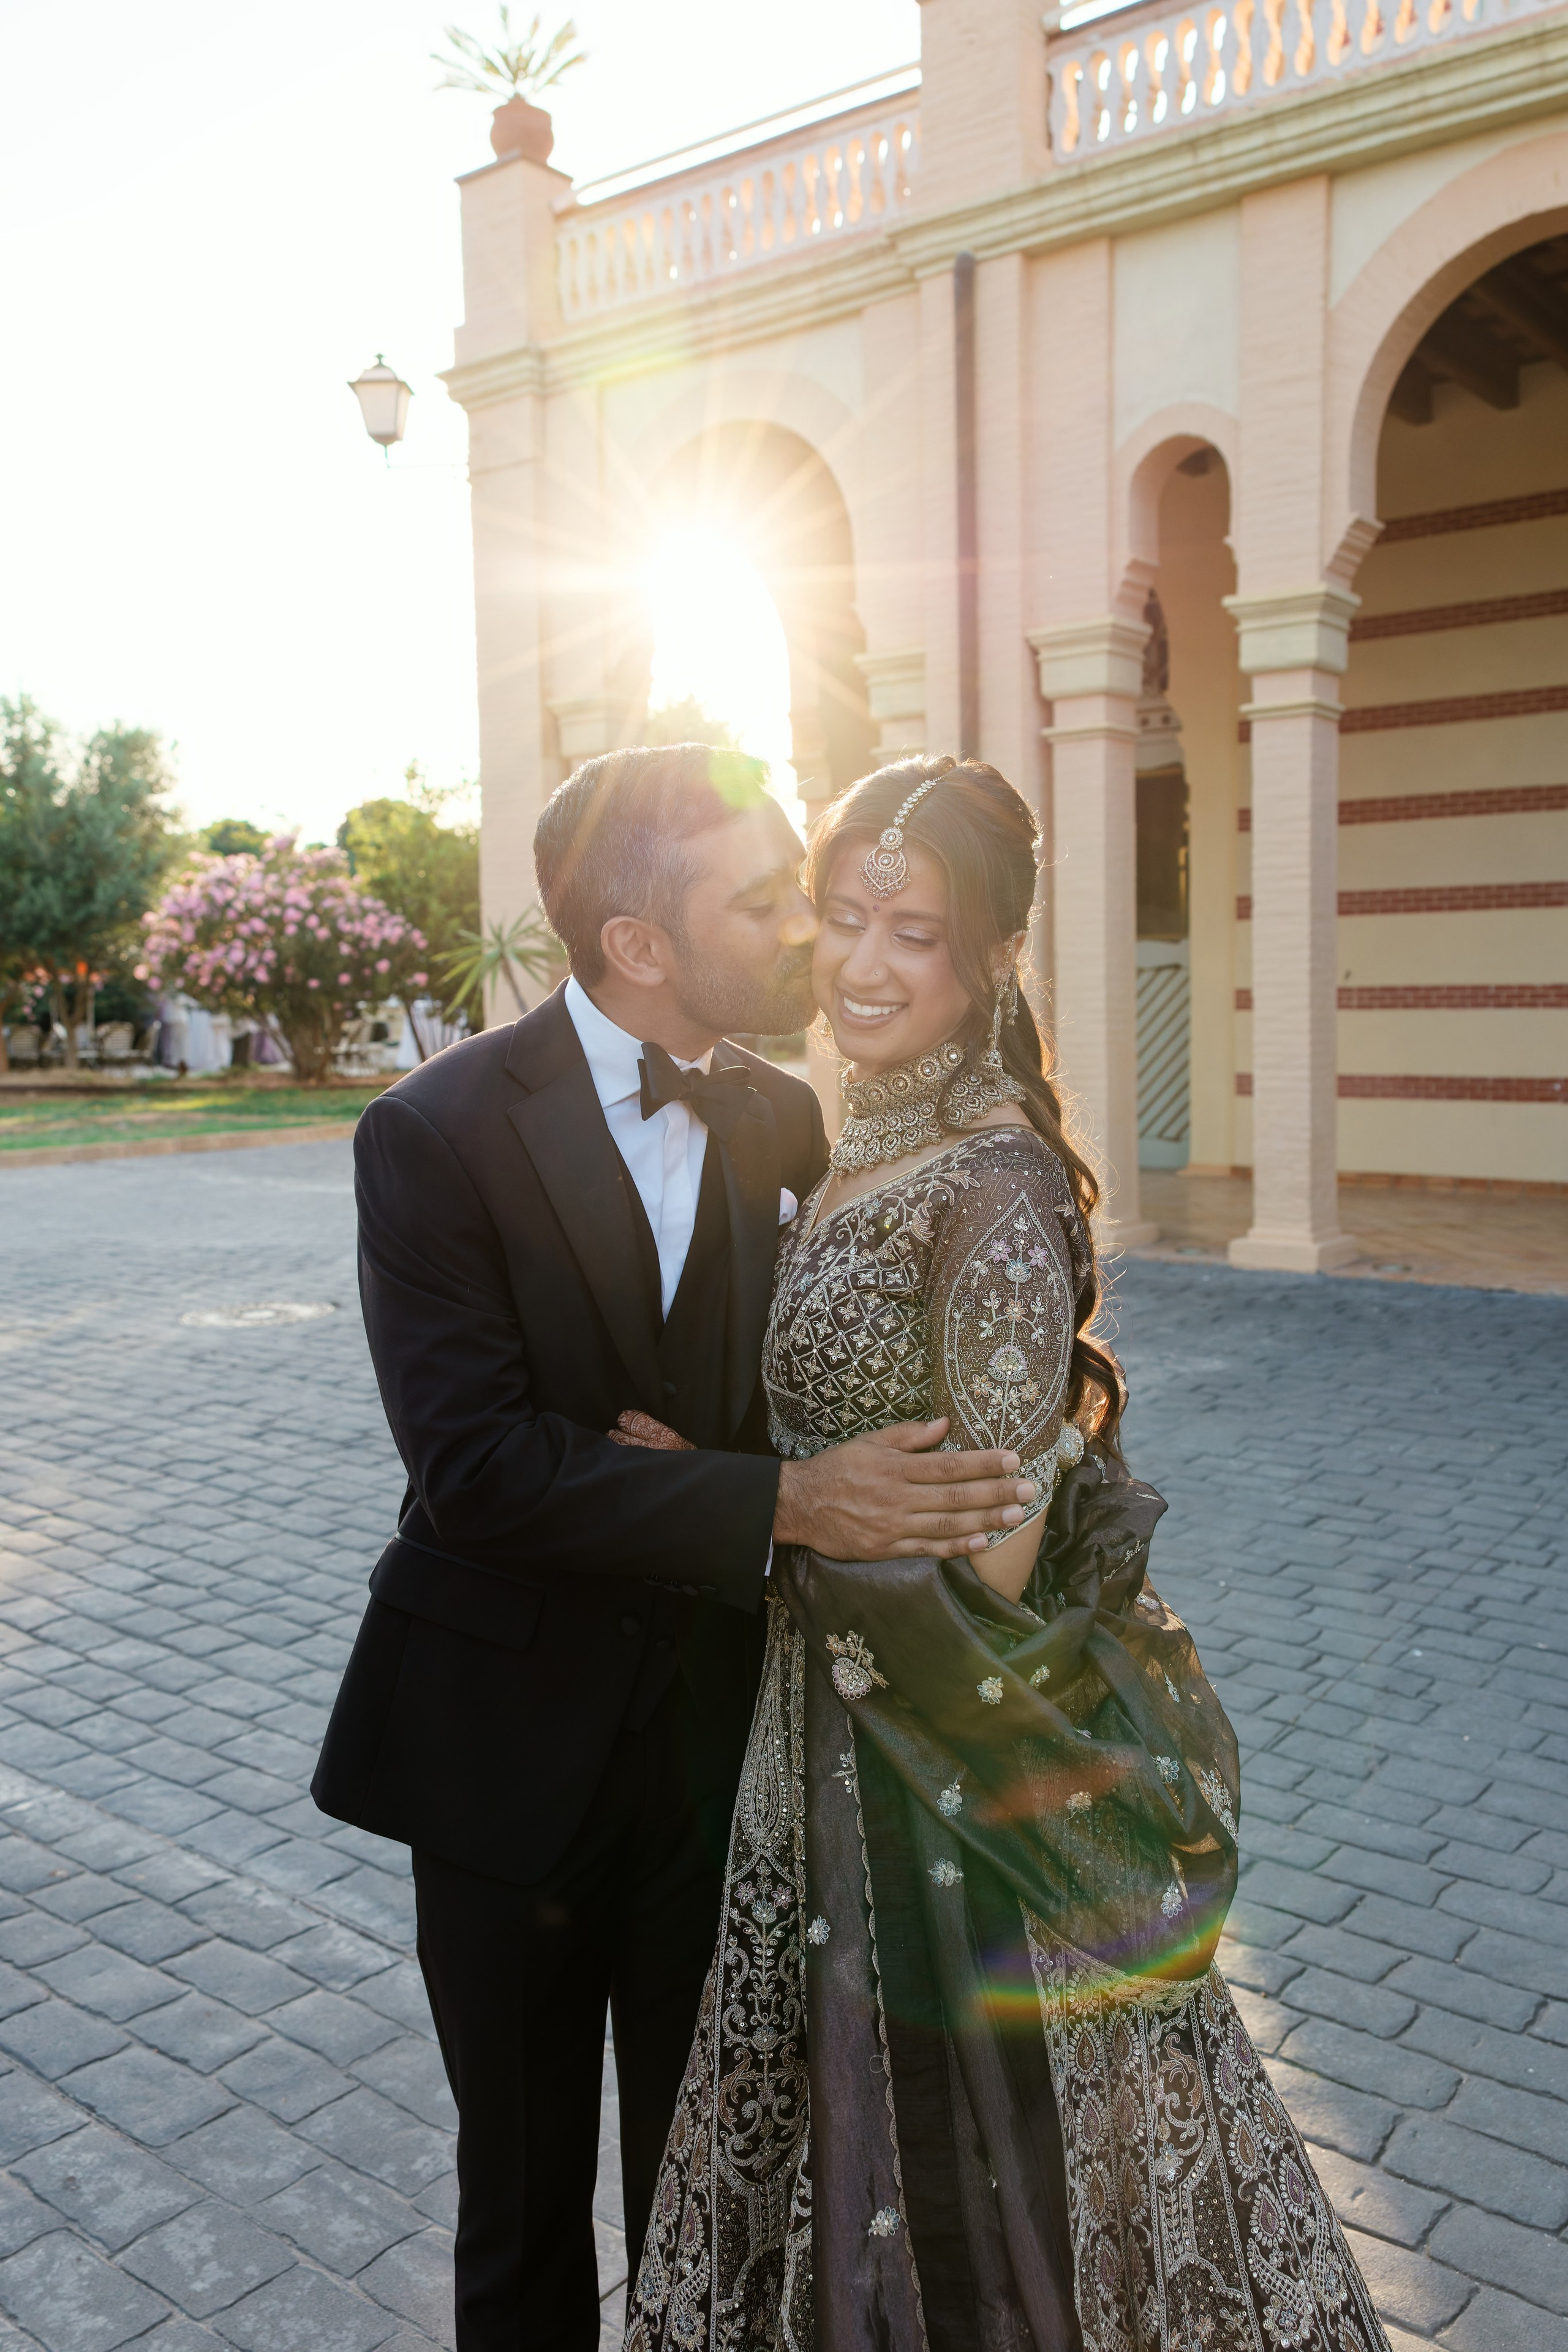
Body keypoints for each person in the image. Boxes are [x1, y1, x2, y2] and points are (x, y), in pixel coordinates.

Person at [624, 756, 1391, 2352]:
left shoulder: (992, 1185)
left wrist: (758, 1522)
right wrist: (742, 1485)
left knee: (963, 2214)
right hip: (830, 1733)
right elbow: (843, 1466)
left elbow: (990, 1578)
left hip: (937, 1782)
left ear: (986, 961)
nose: (863, 963)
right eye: (844, 918)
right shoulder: (860, 1144)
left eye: (915, 932)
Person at [311, 743, 1041, 2352]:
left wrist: (741, 1478)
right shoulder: (429, 1137)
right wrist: (772, 1502)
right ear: (641, 944)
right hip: (501, 1764)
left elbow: (814, 1390)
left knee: (706, 2181)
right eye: (767, 899)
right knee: (516, 2208)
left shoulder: (783, 1115)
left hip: (724, 1757)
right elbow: (480, 1472)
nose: (812, 928)